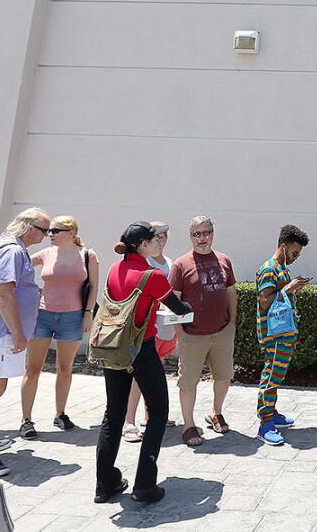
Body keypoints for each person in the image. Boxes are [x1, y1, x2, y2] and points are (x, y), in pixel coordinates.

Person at [94, 222, 193, 505]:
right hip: (142, 350)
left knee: (113, 415)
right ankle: (145, 485)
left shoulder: (115, 268)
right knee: (159, 412)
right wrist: (190, 308)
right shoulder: (151, 275)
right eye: (154, 239)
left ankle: (105, 484)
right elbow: (179, 308)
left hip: (114, 348)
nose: (159, 242)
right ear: (143, 245)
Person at [0, 208, 50, 477]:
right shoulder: (12, 251)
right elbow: (5, 294)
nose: (46, 236)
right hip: (2, 332)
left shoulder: (7, 247)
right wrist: (18, 334)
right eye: (43, 230)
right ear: (28, 226)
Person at [19, 215, 97, 438]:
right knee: (33, 368)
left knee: (65, 368)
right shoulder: (46, 253)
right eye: (49, 230)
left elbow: (92, 287)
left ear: (71, 233)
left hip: (72, 317)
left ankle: (60, 413)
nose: (50, 234)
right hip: (42, 315)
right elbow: (18, 262)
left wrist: (88, 314)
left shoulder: (87, 255)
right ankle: (26, 419)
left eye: (56, 230)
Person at [169, 215, 238, 447]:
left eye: (206, 232)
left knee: (224, 376)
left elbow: (230, 292)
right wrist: (181, 333)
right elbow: (173, 300)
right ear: (190, 237)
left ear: (213, 233)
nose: (202, 238)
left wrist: (232, 324)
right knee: (188, 382)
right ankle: (189, 425)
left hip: (222, 332)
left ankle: (216, 413)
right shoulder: (181, 264)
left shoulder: (224, 260)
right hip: (192, 335)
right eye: (197, 234)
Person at [254, 224, 312, 446]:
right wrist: (289, 289)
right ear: (283, 246)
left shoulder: (281, 267)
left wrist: (292, 288)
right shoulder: (269, 269)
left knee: (275, 376)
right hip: (274, 335)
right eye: (294, 253)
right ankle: (265, 423)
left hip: (283, 333)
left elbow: (279, 297)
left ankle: (271, 413)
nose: (296, 257)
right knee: (271, 376)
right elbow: (265, 301)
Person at [123, 221, 177, 442]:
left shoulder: (170, 262)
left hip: (165, 326)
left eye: (164, 235)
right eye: (157, 235)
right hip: (145, 329)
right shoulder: (143, 262)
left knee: (156, 372)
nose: (161, 239)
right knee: (137, 377)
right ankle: (129, 421)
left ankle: (151, 415)